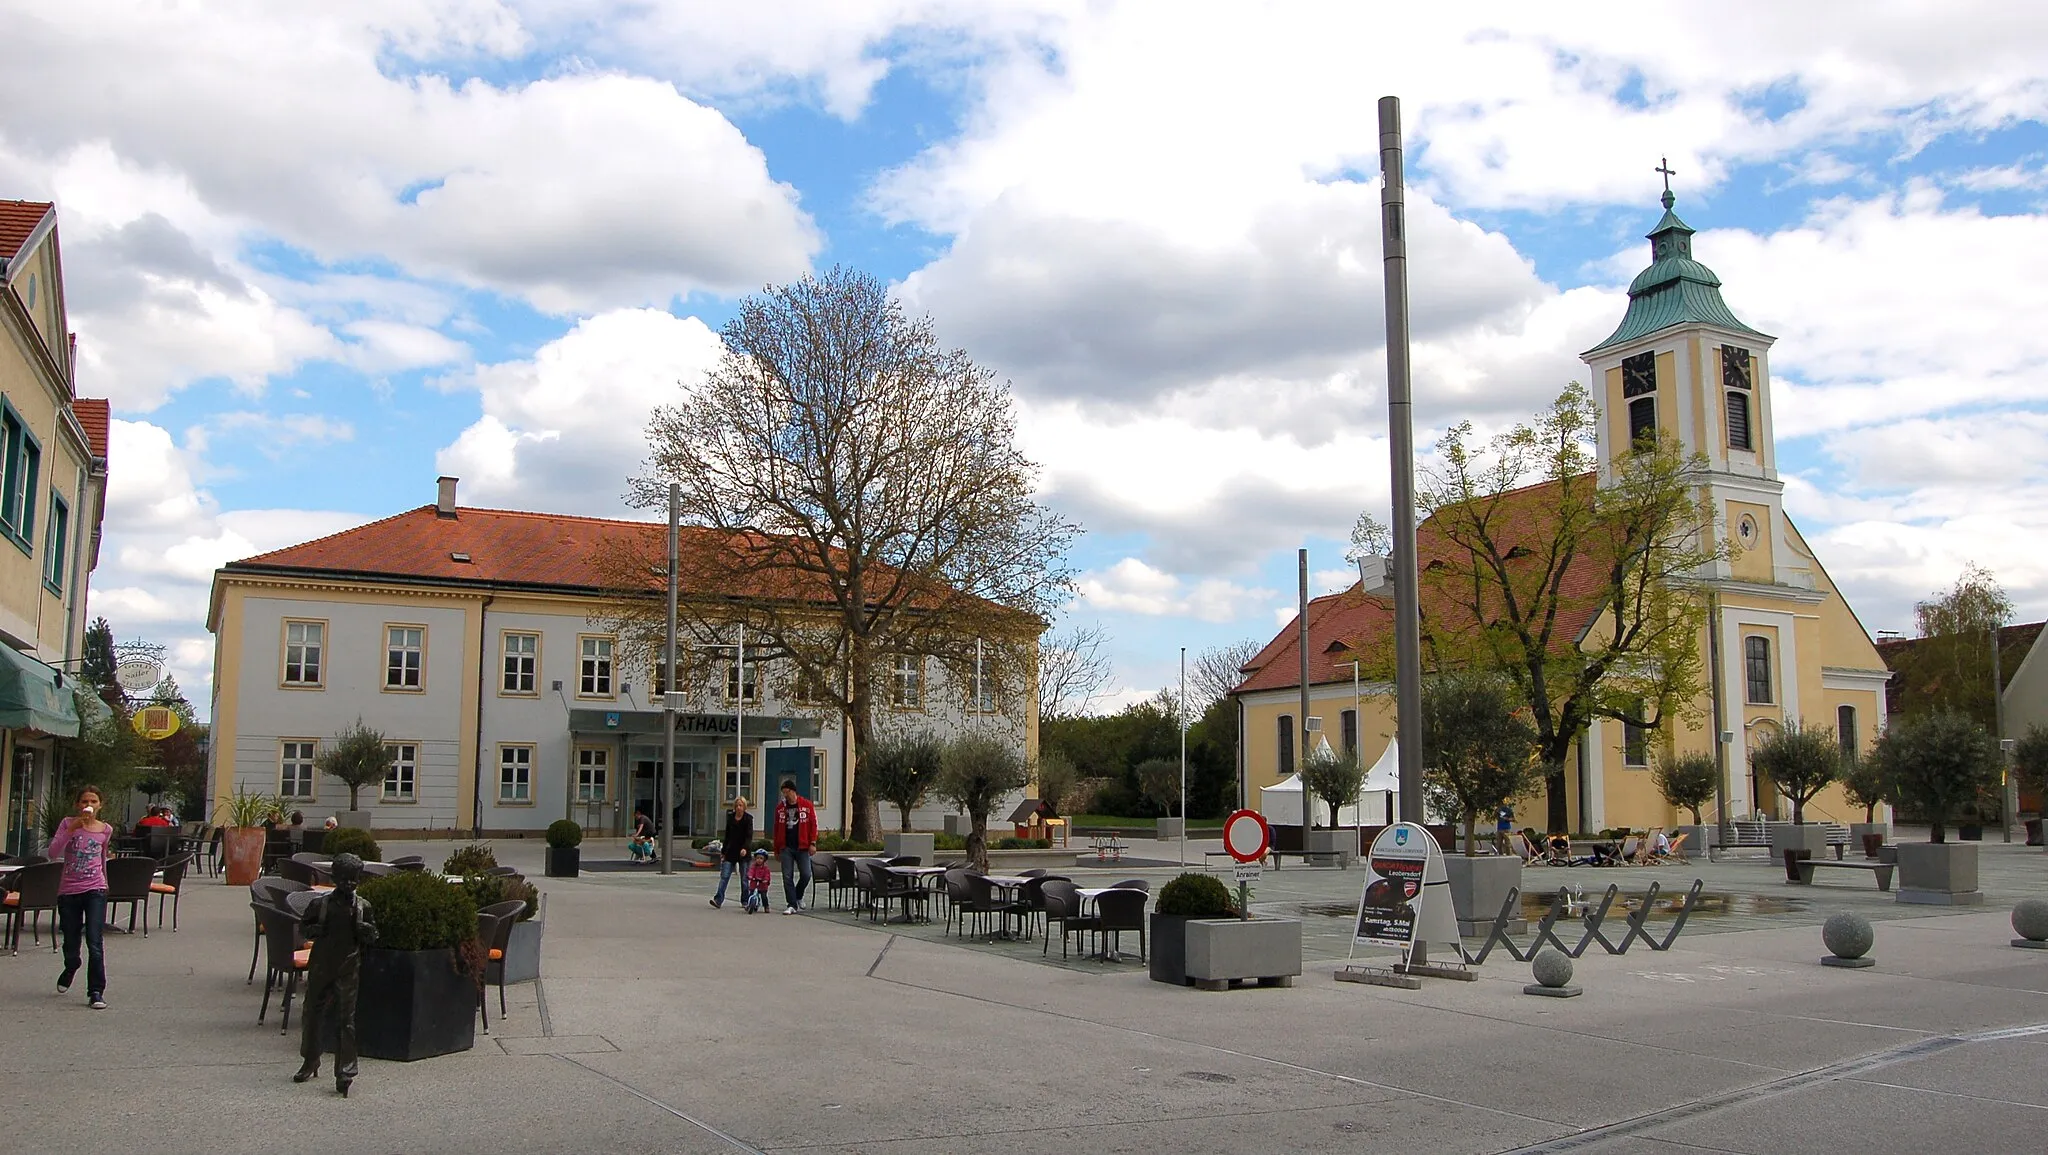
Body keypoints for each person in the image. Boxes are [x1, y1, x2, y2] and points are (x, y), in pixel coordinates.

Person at [296, 852, 378, 1097]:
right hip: (322, 964)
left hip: (348, 966)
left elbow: (375, 935)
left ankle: (345, 1071)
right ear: (335, 879)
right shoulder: (320, 905)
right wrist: (315, 930)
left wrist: (367, 931)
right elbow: (304, 928)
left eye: (354, 880)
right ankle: (310, 1059)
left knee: (347, 1020)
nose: (350, 885)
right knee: (312, 1013)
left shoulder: (363, 907)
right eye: (345, 880)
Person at [50, 785, 114, 1009]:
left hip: (95, 888)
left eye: (93, 802)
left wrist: (105, 884)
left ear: (100, 805)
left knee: (95, 941)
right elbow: (53, 852)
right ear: (78, 804)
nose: (89, 805)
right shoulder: (68, 824)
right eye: (85, 801)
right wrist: (71, 830)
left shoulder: (105, 829)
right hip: (69, 890)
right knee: (71, 939)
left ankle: (96, 991)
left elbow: (103, 857)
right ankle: (71, 965)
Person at [772, 778, 818, 915]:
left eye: (787, 792)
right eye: (783, 793)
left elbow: (813, 825)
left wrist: (813, 842)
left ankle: (798, 895)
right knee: (787, 876)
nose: (785, 796)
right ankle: (791, 904)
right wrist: (776, 849)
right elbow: (776, 829)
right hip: (786, 847)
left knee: (806, 874)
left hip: (802, 846)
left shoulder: (806, 805)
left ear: (793, 791)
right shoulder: (780, 808)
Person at [710, 795, 753, 909]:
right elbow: (727, 836)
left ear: (744, 807)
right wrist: (723, 852)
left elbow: (749, 836)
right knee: (724, 877)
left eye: (741, 805)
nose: (738, 808)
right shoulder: (730, 818)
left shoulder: (748, 819)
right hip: (731, 852)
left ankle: (745, 900)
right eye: (737, 805)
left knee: (744, 879)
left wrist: (745, 848)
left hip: (743, 853)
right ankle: (718, 899)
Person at [743, 848, 773, 913]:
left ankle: (766, 906)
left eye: (761, 858)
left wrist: (766, 880)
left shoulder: (766, 868)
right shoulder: (754, 866)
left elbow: (767, 875)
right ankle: (749, 904)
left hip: (762, 885)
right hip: (754, 883)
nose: (759, 860)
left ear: (764, 859)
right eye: (757, 858)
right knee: (750, 894)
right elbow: (751, 871)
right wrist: (750, 876)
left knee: (764, 896)